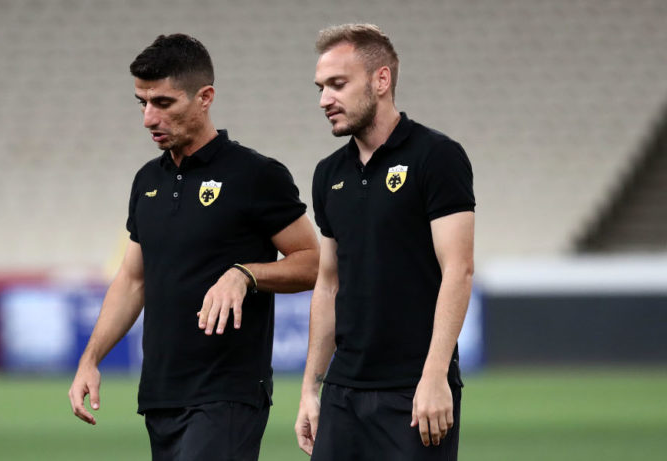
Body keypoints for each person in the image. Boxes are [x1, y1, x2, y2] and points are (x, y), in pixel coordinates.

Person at [68, 33, 319, 461]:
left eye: (163, 103)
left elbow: (312, 262)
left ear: (205, 98)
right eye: (142, 103)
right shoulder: (147, 181)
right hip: (161, 394)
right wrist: (90, 359)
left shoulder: (255, 175)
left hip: (228, 393)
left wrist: (246, 274)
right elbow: (132, 280)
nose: (149, 118)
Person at [295, 24, 475, 460]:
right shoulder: (328, 174)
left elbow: (459, 269)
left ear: (381, 80)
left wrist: (434, 377)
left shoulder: (437, 156)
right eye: (321, 88)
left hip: (413, 391)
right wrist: (310, 389)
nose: (324, 100)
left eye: (338, 84)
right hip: (343, 392)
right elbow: (328, 283)